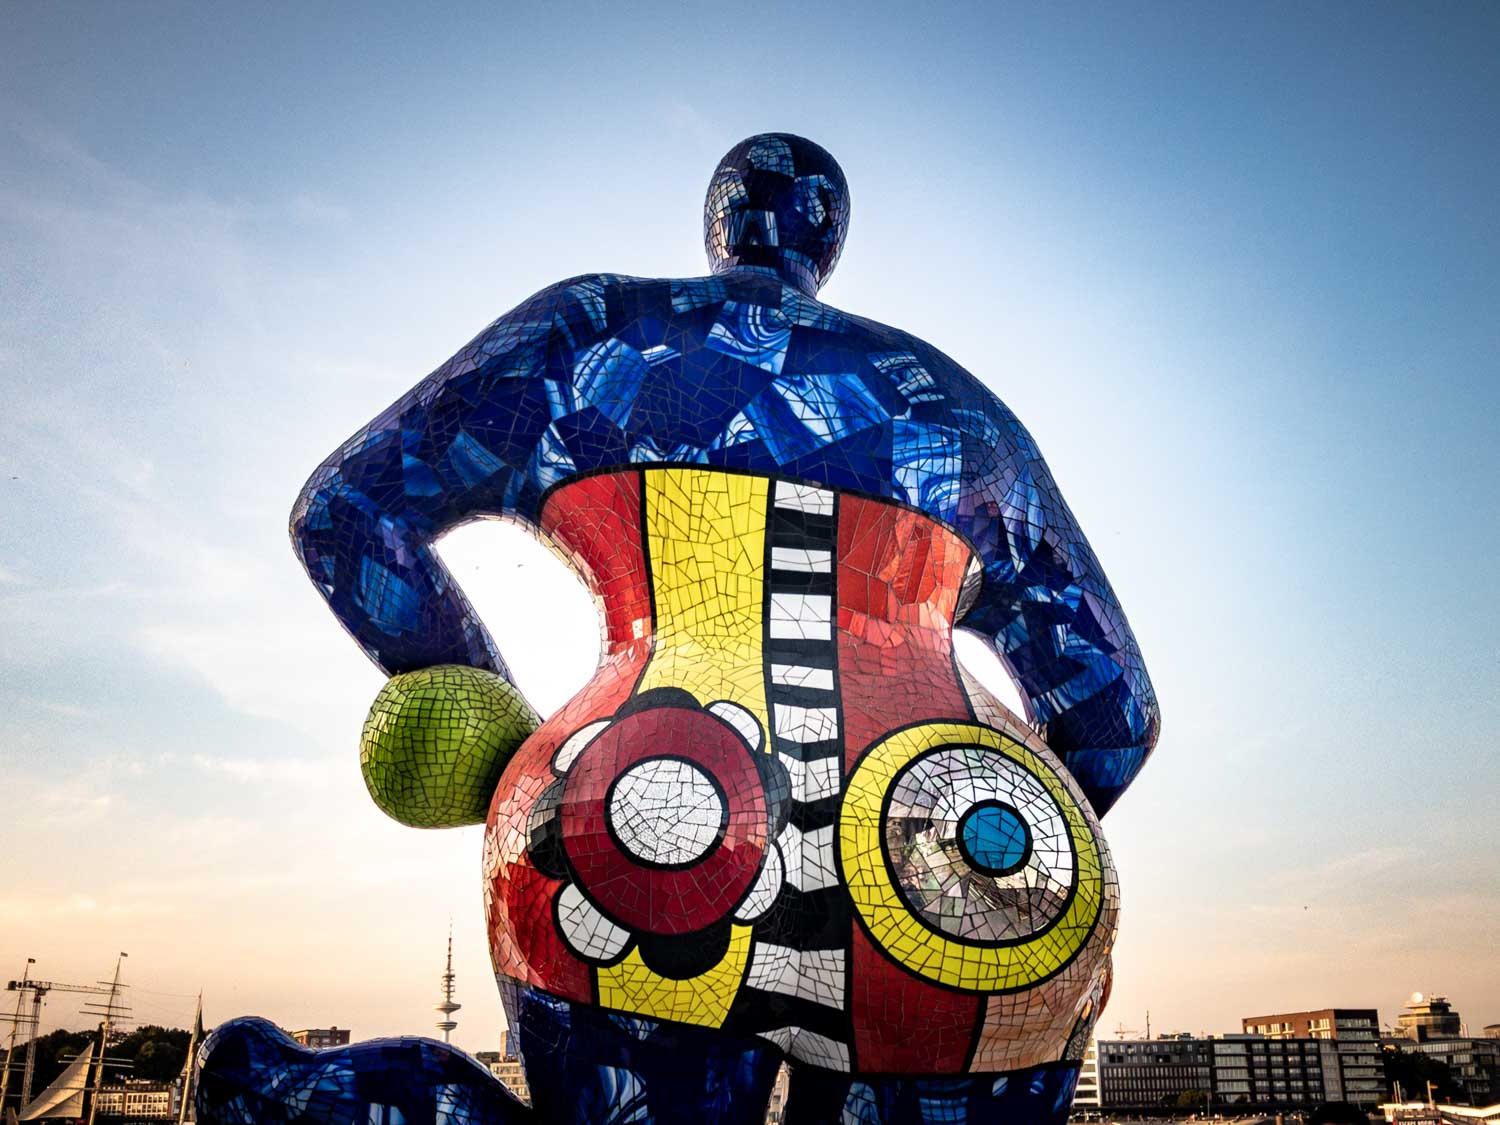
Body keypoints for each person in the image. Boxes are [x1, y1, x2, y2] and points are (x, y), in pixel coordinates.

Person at [261, 133, 1160, 1125]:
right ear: (828, 238)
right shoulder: (960, 414)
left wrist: (512, 745)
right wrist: (983, 843)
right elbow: (1116, 710)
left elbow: (348, 515)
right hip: (965, 849)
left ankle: (328, 1101)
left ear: (722, 217)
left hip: (646, 803)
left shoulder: (596, 329)